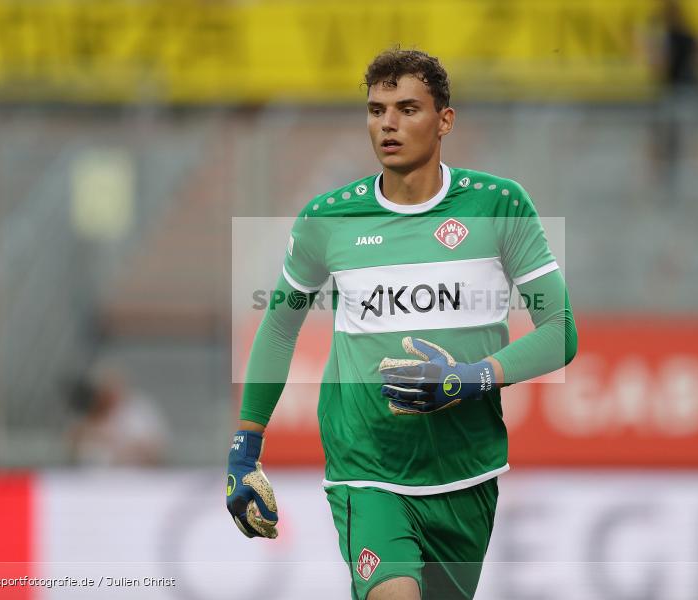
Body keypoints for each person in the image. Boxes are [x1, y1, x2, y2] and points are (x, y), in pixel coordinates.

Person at [226, 48, 578, 600]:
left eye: (407, 109)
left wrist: (469, 378)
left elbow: (560, 331)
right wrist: (246, 446)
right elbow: (278, 327)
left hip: (466, 470)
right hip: (366, 467)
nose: (387, 124)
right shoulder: (328, 219)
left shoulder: (499, 205)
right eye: (376, 110)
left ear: (445, 120)